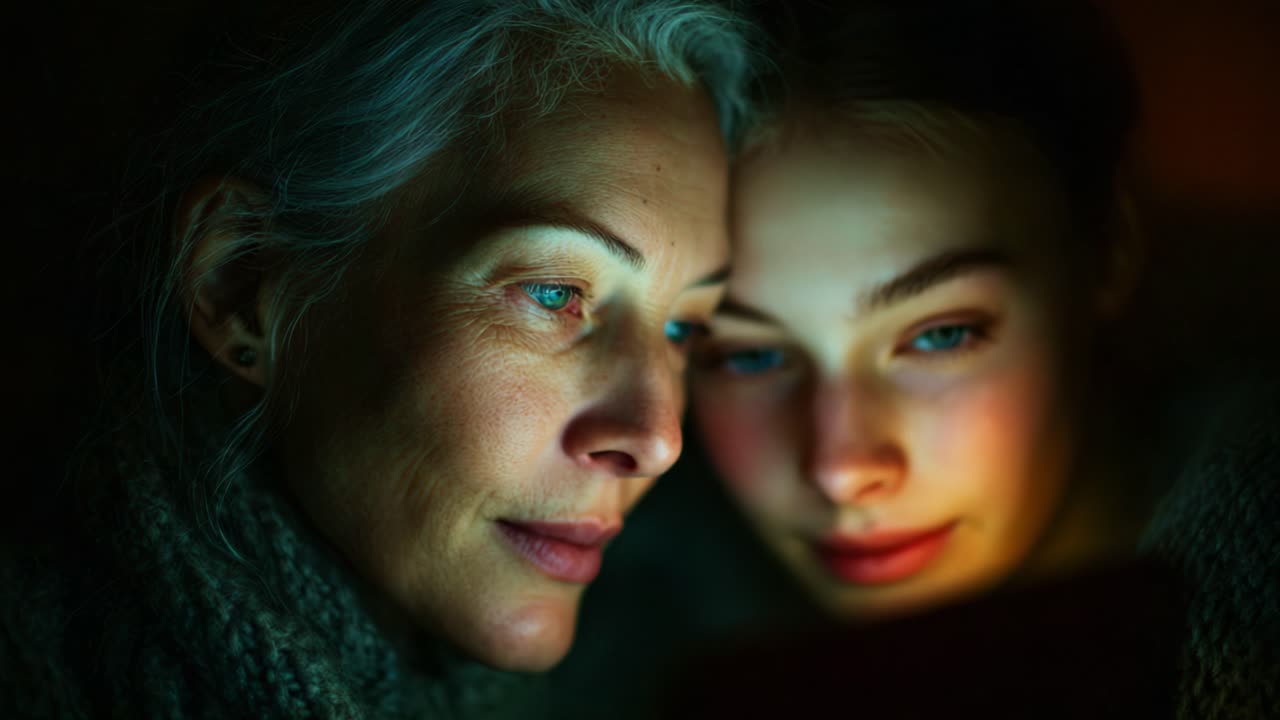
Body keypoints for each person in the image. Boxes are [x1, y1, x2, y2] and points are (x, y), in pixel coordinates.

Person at [1, 0, 759, 716]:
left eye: (682, 329)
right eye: (555, 293)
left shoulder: (658, 667)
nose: (659, 441)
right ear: (242, 282)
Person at [687, 0, 1277, 715]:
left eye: (940, 335)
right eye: (747, 355)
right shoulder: (625, 626)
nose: (841, 471)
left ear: (1108, 250)